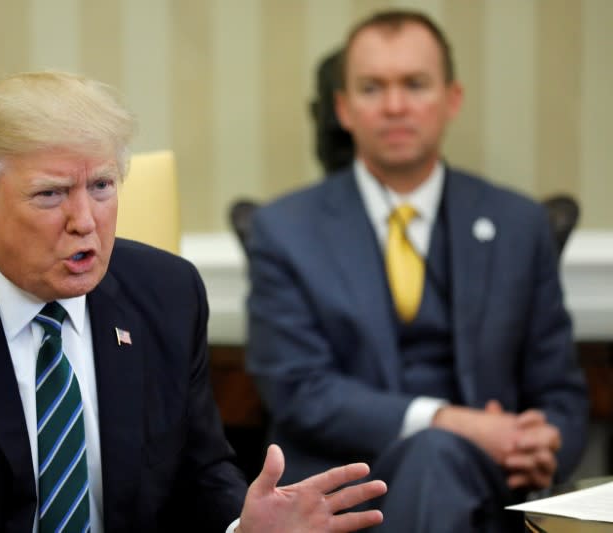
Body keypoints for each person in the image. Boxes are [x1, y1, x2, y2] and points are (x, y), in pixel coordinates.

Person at [0, 71, 386, 533]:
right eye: (50, 194)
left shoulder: (168, 294)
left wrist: (242, 527)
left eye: (102, 186)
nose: (85, 221)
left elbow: (200, 470)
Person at [246, 9, 588, 532]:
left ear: (452, 99)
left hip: (482, 488)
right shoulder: (285, 230)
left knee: (437, 461)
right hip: (339, 493)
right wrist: (447, 421)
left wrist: (540, 444)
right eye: (372, 88)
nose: (396, 106)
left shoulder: (518, 224)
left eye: (415, 84)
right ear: (342, 108)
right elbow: (299, 390)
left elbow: (560, 393)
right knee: (433, 450)